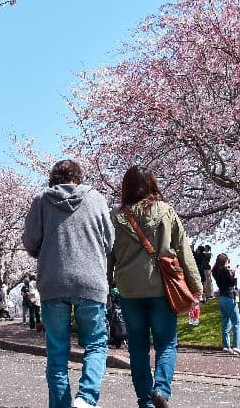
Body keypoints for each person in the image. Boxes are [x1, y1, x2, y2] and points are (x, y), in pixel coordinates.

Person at [22, 158, 114, 408]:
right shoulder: (96, 198)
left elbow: (30, 242)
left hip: (53, 282)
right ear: (79, 177)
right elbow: (109, 242)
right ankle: (86, 397)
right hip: (91, 281)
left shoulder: (42, 201)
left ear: (53, 178)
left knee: (57, 353)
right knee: (96, 344)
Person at [109, 165, 202, 408]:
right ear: (151, 184)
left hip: (129, 290)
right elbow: (183, 250)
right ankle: (160, 389)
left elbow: (108, 255)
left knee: (138, 348)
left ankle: (145, 401)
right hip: (162, 287)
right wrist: (196, 285)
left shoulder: (116, 218)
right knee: (166, 343)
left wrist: (107, 282)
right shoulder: (165, 211)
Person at [212, 253, 240, 356]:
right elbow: (231, 283)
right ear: (225, 261)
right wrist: (234, 274)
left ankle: (226, 346)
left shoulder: (215, 271)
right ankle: (236, 346)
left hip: (222, 298)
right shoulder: (225, 270)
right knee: (237, 322)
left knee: (225, 322)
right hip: (229, 297)